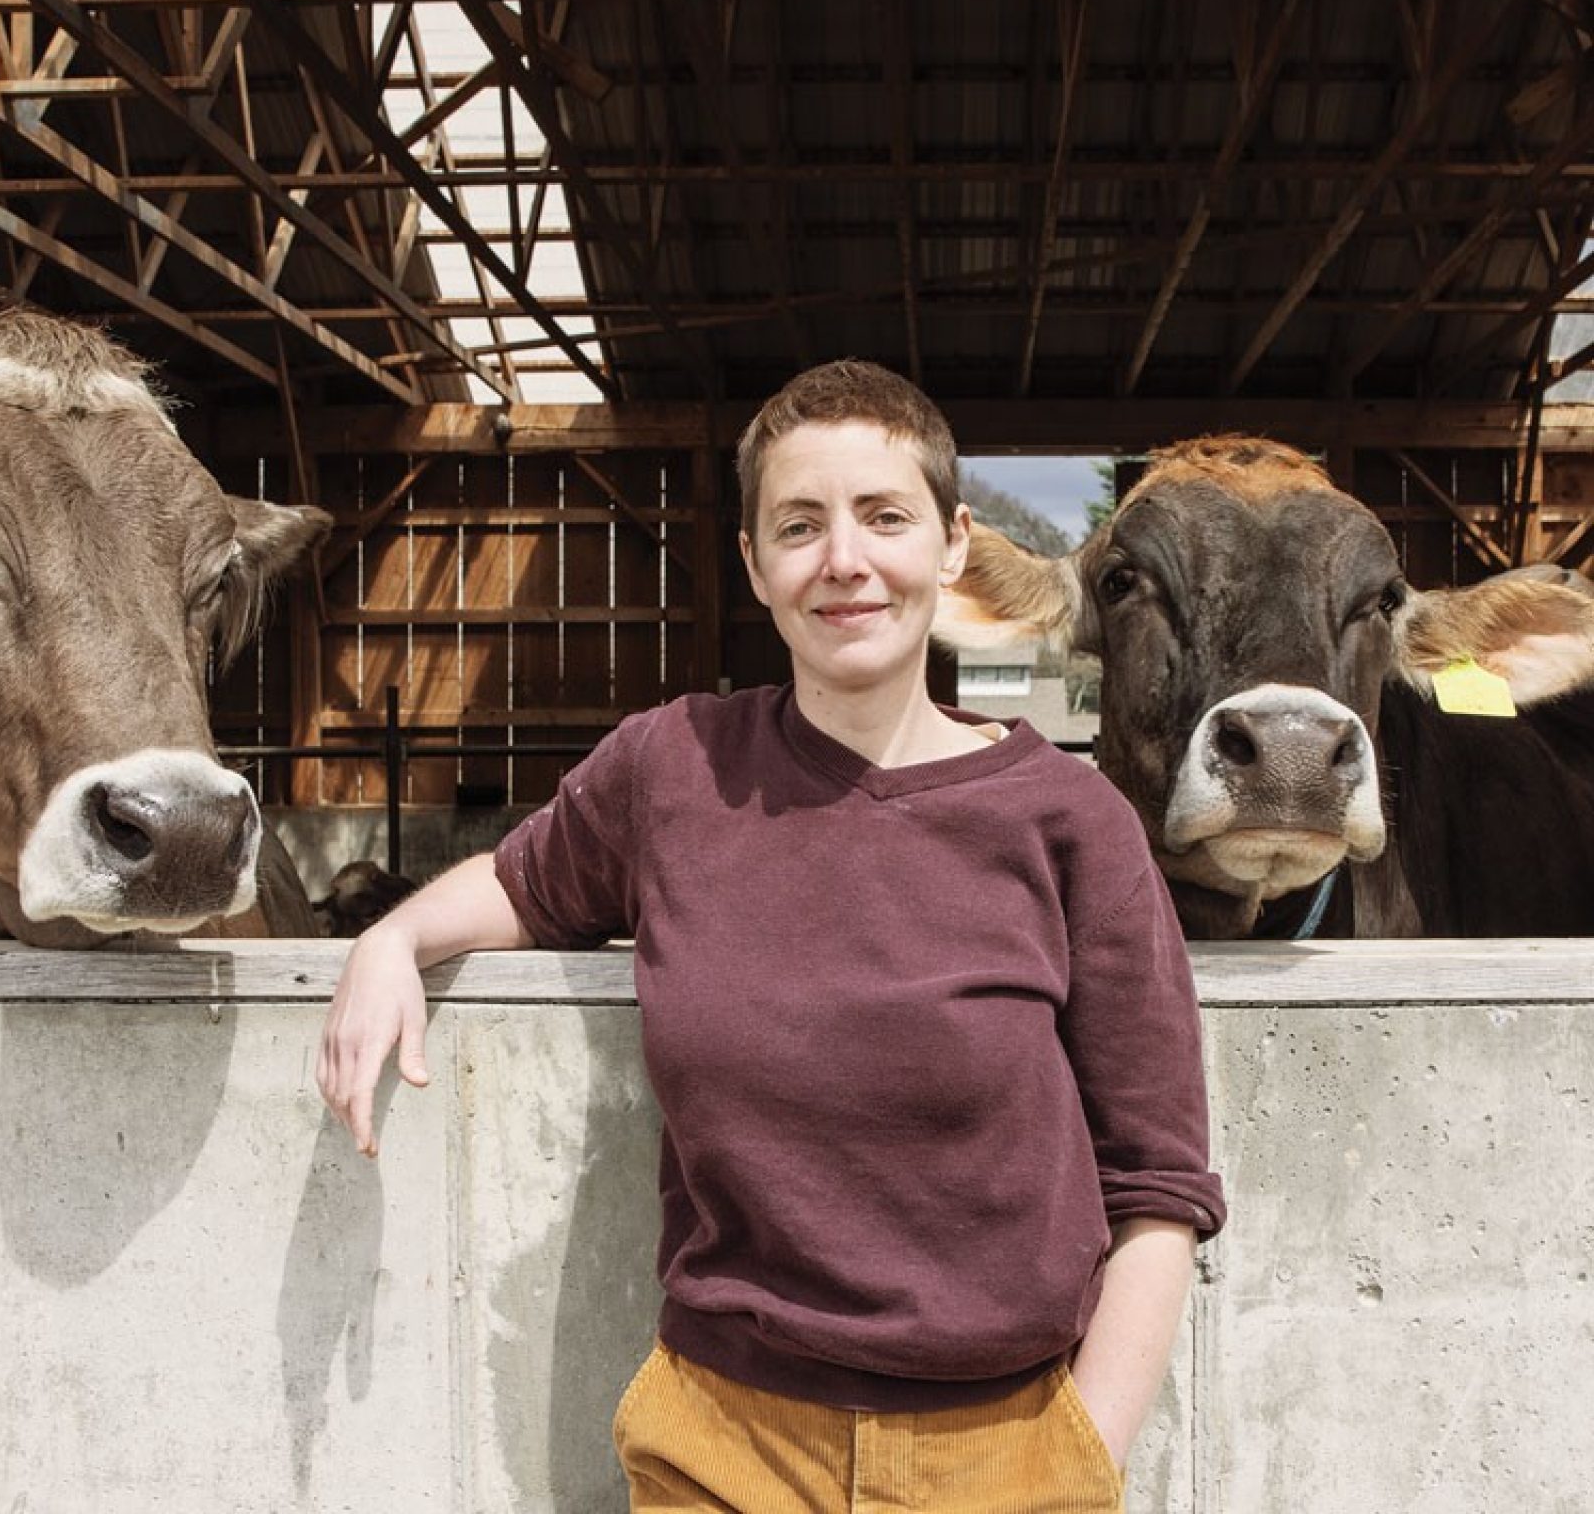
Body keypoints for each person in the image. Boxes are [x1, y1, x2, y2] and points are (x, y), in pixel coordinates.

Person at [319, 359, 1225, 1513]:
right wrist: (388, 944)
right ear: (753, 564)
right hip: (722, 1449)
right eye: (799, 526)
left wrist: (1081, 1458)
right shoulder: (674, 769)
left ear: (952, 545)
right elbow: (522, 883)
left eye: (883, 518)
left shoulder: (1069, 823)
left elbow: (1157, 1181)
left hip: (1004, 1452)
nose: (844, 560)